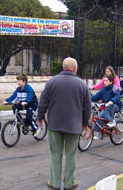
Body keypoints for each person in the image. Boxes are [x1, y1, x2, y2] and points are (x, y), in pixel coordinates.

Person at [37, 57, 91, 190]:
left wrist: (40, 117)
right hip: (74, 126)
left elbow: (43, 101)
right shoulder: (82, 84)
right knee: (71, 154)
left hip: (55, 125)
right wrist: (85, 123)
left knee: (55, 154)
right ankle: (69, 183)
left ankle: (54, 183)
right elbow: (87, 107)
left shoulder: (52, 82)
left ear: (63, 67)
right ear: (74, 68)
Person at [91, 74, 122, 140]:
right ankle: (100, 133)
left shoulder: (114, 87)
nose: (104, 82)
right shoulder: (103, 89)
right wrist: (88, 98)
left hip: (116, 105)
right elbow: (96, 96)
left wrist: (112, 101)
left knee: (109, 106)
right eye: (104, 81)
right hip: (107, 106)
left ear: (111, 82)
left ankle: (111, 121)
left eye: (106, 81)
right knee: (99, 117)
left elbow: (117, 96)